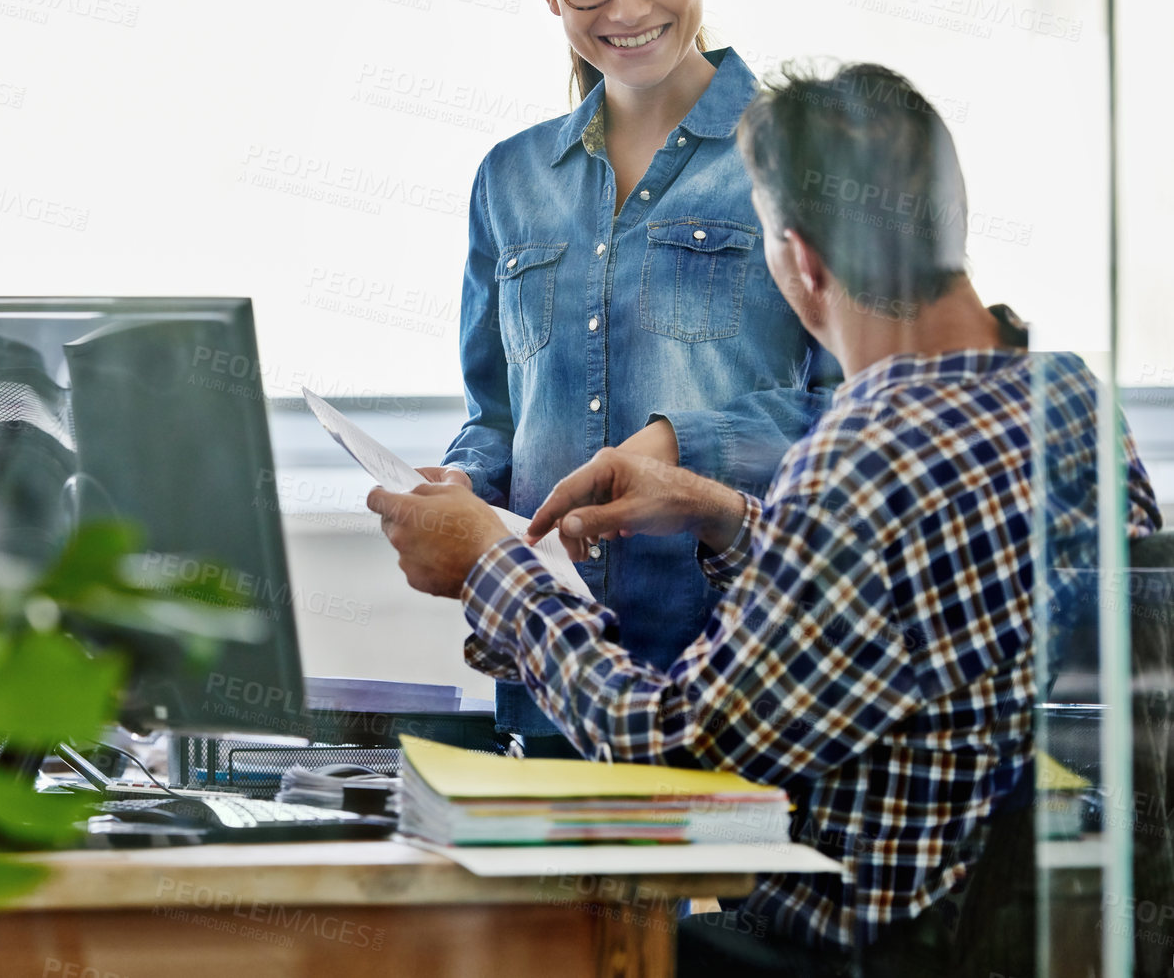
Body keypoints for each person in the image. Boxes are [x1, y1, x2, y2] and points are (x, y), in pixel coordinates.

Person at [369, 63, 1162, 971]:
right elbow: (918, 603)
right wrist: (732, 516)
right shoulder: (1069, 406)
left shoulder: (863, 450)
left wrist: (489, 569)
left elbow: (669, 752)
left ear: (800, 260)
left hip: (852, 951)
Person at [424, 0, 837, 741]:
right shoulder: (509, 177)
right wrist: (454, 482)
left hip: (735, 675)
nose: (625, 5)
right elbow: (496, 414)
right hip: (545, 674)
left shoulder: (803, 159)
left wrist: (678, 443)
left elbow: (857, 421)